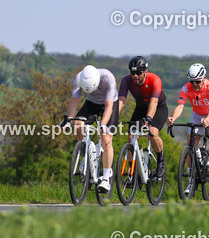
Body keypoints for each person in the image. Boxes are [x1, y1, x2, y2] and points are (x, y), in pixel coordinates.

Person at [64, 64, 119, 193]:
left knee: (106, 139)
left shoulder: (108, 78)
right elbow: (75, 100)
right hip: (91, 103)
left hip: (110, 104)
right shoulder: (79, 78)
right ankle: (86, 155)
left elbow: (109, 106)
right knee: (77, 124)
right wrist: (68, 120)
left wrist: (103, 125)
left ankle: (106, 177)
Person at [117, 56, 168, 177]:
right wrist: (113, 117)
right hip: (140, 109)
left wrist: (149, 118)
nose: (135, 76)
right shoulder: (126, 81)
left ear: (145, 72)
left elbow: (154, 102)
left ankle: (161, 160)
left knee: (152, 133)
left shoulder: (155, 80)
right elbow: (121, 101)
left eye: (138, 73)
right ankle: (133, 171)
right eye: (133, 73)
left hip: (158, 108)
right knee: (131, 136)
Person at [167, 63, 209, 165]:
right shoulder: (186, 88)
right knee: (190, 144)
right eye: (192, 82)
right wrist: (173, 118)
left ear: (203, 78)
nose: (195, 84)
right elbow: (180, 106)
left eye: (197, 81)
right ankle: (191, 178)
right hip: (197, 113)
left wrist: (208, 119)